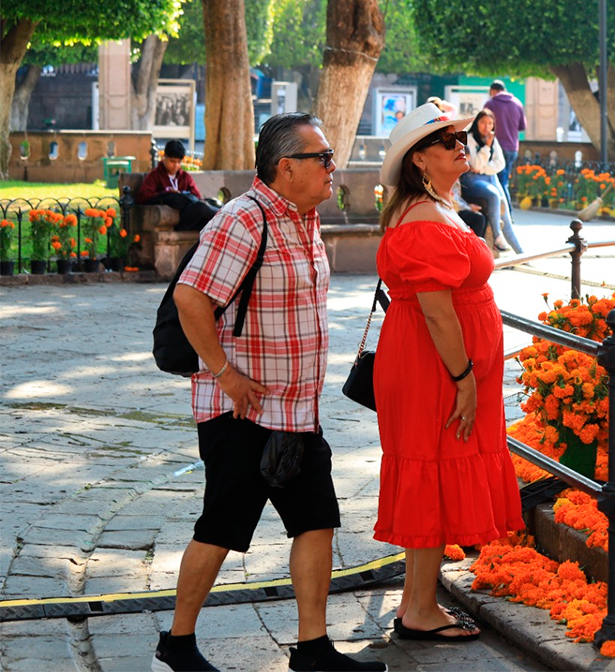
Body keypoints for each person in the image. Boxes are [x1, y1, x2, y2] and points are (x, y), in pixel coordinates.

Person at [153, 113, 386, 672]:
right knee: (222, 527)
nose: (334, 167)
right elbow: (191, 299)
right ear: (287, 166)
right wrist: (224, 372)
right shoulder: (243, 221)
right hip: (243, 410)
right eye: (323, 158)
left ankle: (312, 650)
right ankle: (178, 643)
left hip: (296, 412)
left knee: (316, 520)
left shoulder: (304, 221)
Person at [375, 102, 524, 642]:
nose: (462, 146)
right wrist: (464, 378)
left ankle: (419, 604)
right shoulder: (421, 218)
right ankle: (418, 608)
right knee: (430, 474)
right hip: (434, 367)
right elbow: (437, 312)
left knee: (433, 475)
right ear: (419, 159)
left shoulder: (434, 203)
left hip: (436, 362)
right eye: (448, 142)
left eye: (462, 137)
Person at [461, 109, 523, 253]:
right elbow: (474, 164)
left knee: (505, 214)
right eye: (483, 122)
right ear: (477, 123)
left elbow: (499, 164)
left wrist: (482, 169)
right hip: (472, 179)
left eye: (490, 123)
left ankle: (521, 253)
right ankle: (497, 237)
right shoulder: (469, 138)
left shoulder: (493, 139)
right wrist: (487, 147)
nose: (486, 127)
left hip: (490, 177)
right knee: (494, 195)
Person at [136, 140, 220, 232]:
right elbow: (142, 196)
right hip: (177, 221)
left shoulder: (185, 177)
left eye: (178, 162)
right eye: (172, 161)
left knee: (209, 204)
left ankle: (222, 216)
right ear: (164, 157)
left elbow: (196, 197)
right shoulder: (155, 176)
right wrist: (166, 194)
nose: (175, 166)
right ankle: (222, 216)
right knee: (202, 207)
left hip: (191, 218)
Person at [482, 80, 526, 202]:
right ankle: (505, 213)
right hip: (513, 147)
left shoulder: (491, 104)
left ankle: (506, 213)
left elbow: (482, 126)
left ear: (493, 91)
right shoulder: (517, 103)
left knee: (498, 182)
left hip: (495, 146)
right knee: (504, 181)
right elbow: (522, 127)